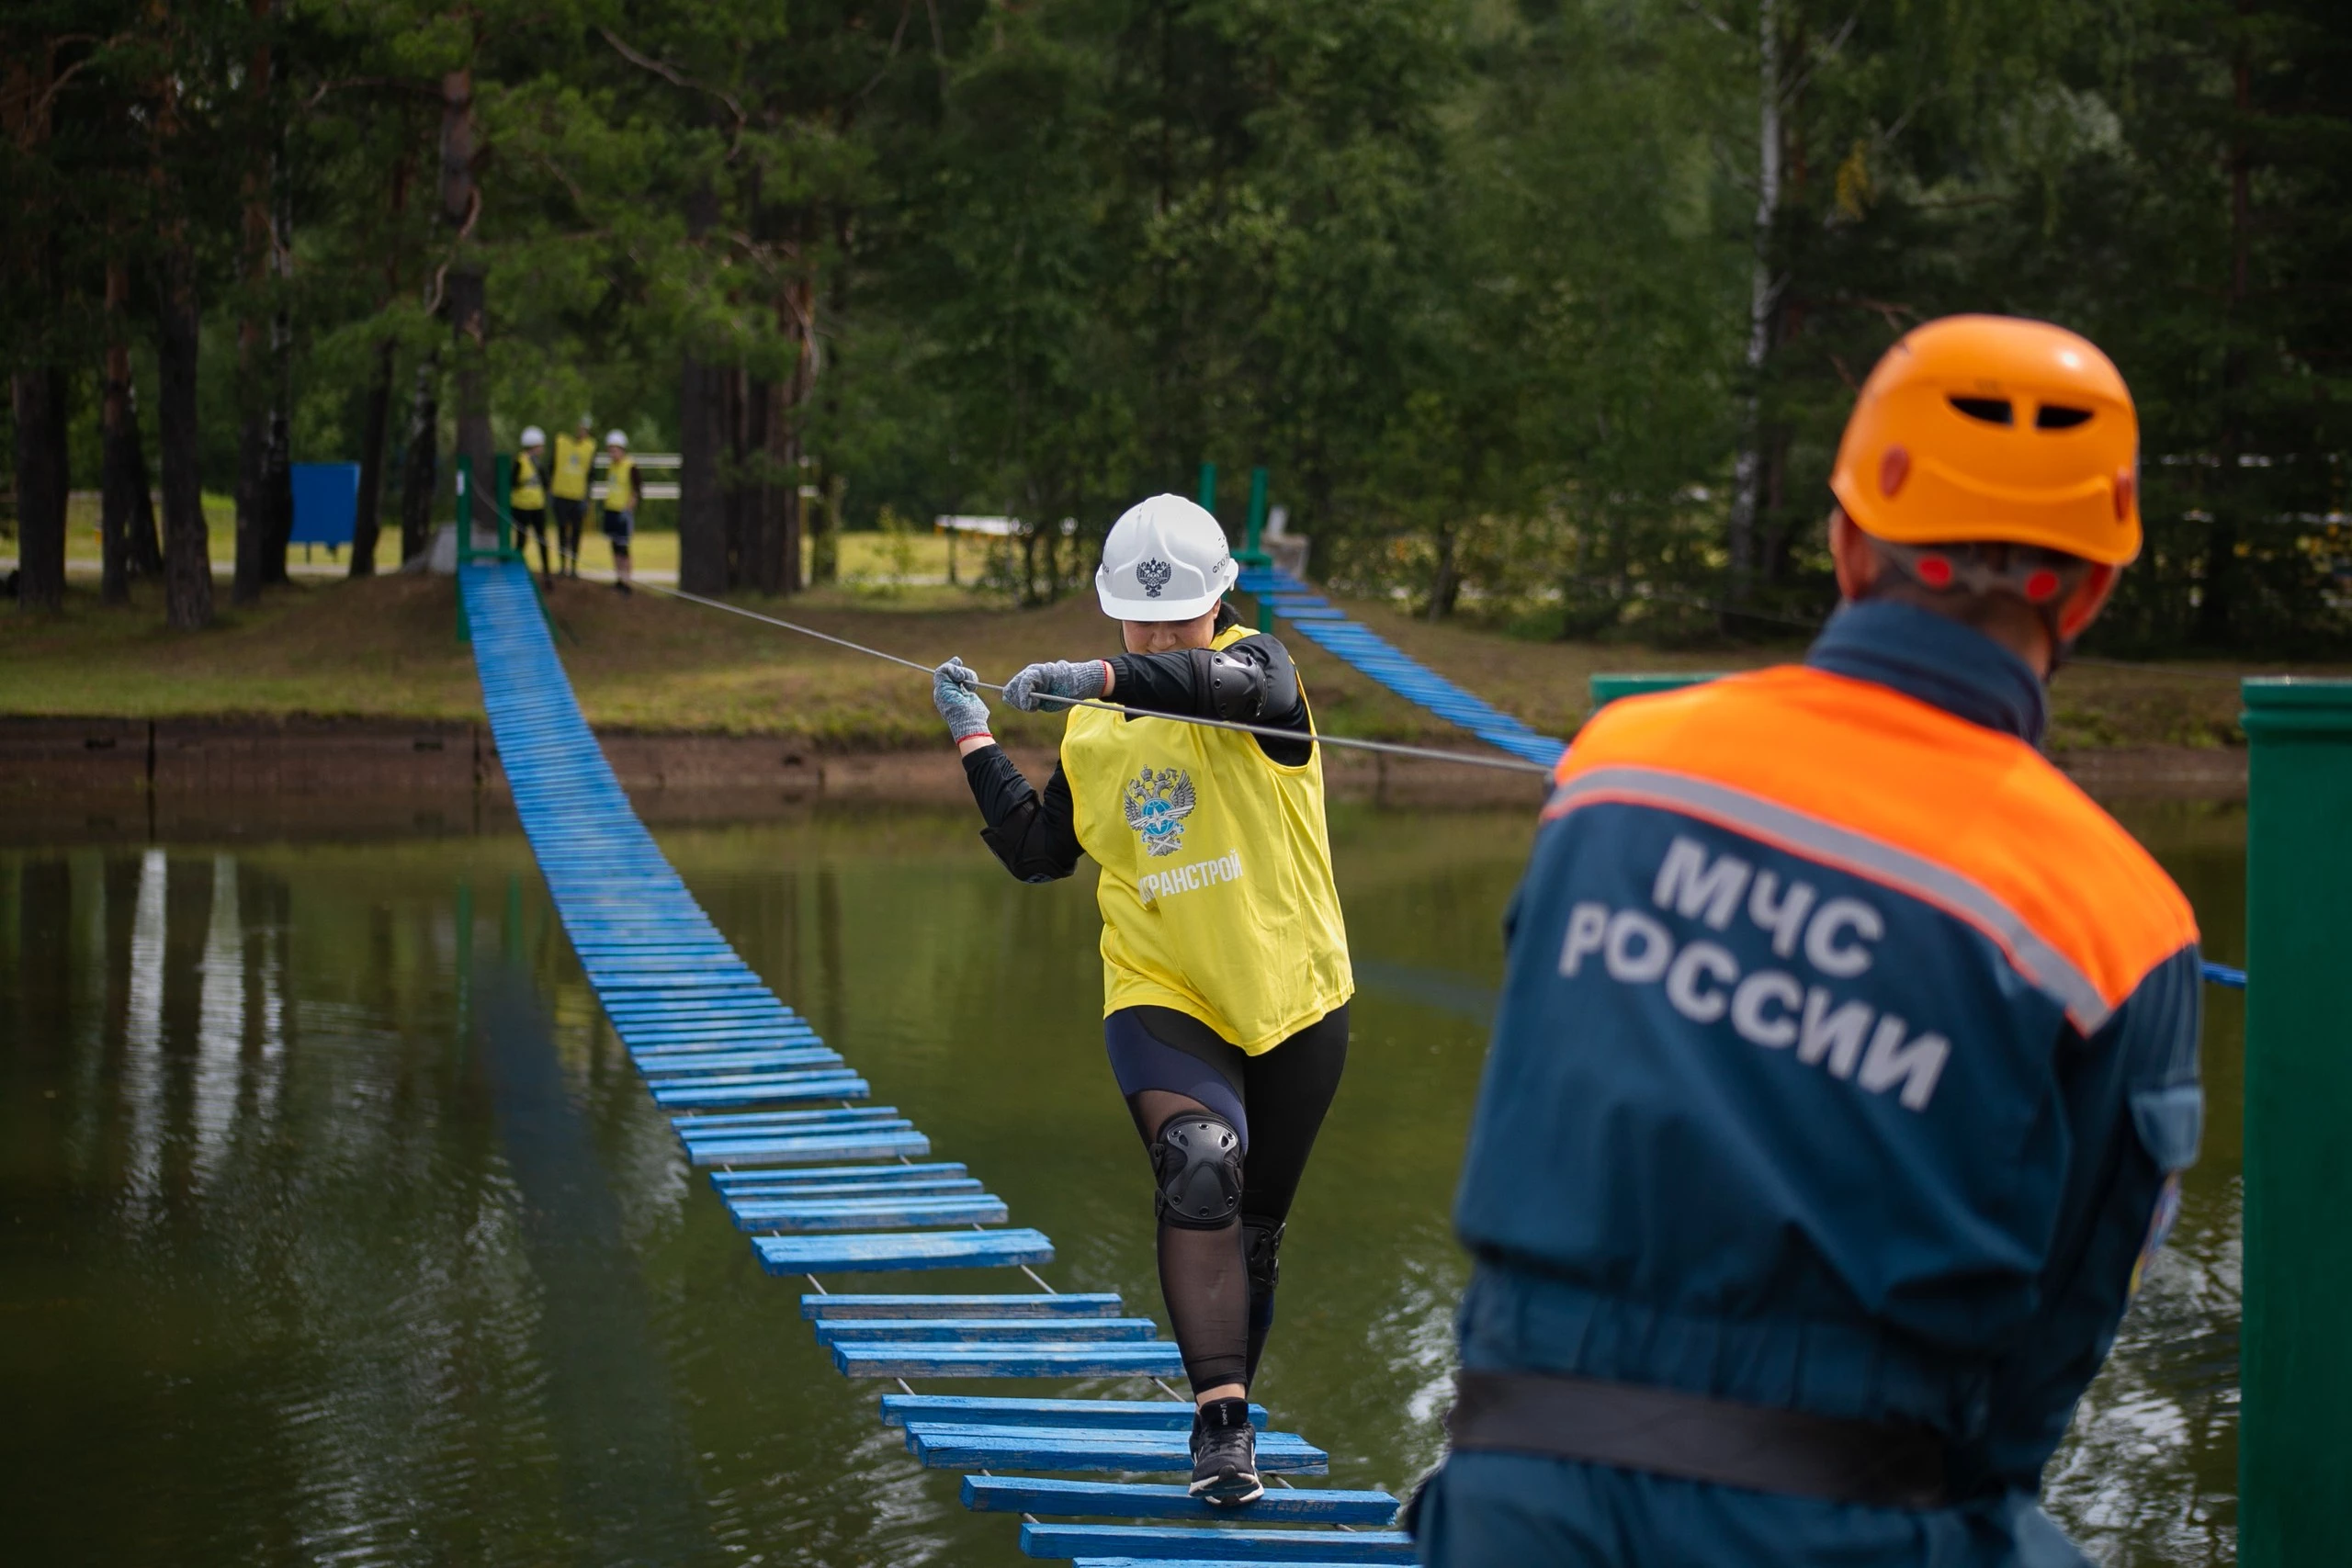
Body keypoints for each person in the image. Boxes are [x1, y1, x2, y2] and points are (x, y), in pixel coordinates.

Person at [1411, 315, 2204, 1568]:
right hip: (1856, 1519)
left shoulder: (1622, 768)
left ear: (1844, 542)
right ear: (2096, 588)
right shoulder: (2117, 917)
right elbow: (2056, 1338)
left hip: (1516, 1488)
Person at [930, 494, 1354, 1506]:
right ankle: (1222, 1425)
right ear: (1115, 609)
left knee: (1252, 1232)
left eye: (1179, 620)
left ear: (1220, 605)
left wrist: (1101, 675)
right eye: (1139, 620)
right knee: (1200, 1166)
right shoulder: (1095, 734)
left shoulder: (1266, 675)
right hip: (1160, 989)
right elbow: (1041, 854)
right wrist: (974, 736)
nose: (1161, 635)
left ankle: (1232, 1392)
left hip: (1293, 993)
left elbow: (1214, 682)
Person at [549, 415, 595, 578]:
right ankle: (563, 566)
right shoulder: (561, 442)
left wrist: (588, 498)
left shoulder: (590, 447)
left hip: (578, 497)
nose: (582, 432)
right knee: (562, 530)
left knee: (576, 532)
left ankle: (574, 568)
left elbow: (591, 475)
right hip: (561, 495)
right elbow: (551, 466)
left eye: (585, 429)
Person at [512, 426, 553, 586]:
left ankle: (547, 574)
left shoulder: (538, 463)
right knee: (521, 540)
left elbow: (545, 482)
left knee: (542, 540)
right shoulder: (520, 461)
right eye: (540, 445)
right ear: (534, 445)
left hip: (537, 507)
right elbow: (512, 483)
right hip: (522, 507)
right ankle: (515, 572)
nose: (542, 448)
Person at [599, 428, 638, 595]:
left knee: (624, 548)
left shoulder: (630, 466)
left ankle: (627, 581)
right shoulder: (611, 467)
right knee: (614, 546)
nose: (612, 453)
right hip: (611, 510)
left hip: (623, 513)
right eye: (610, 450)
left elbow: (636, 491)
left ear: (622, 449)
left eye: (614, 450)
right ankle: (618, 579)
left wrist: (628, 510)